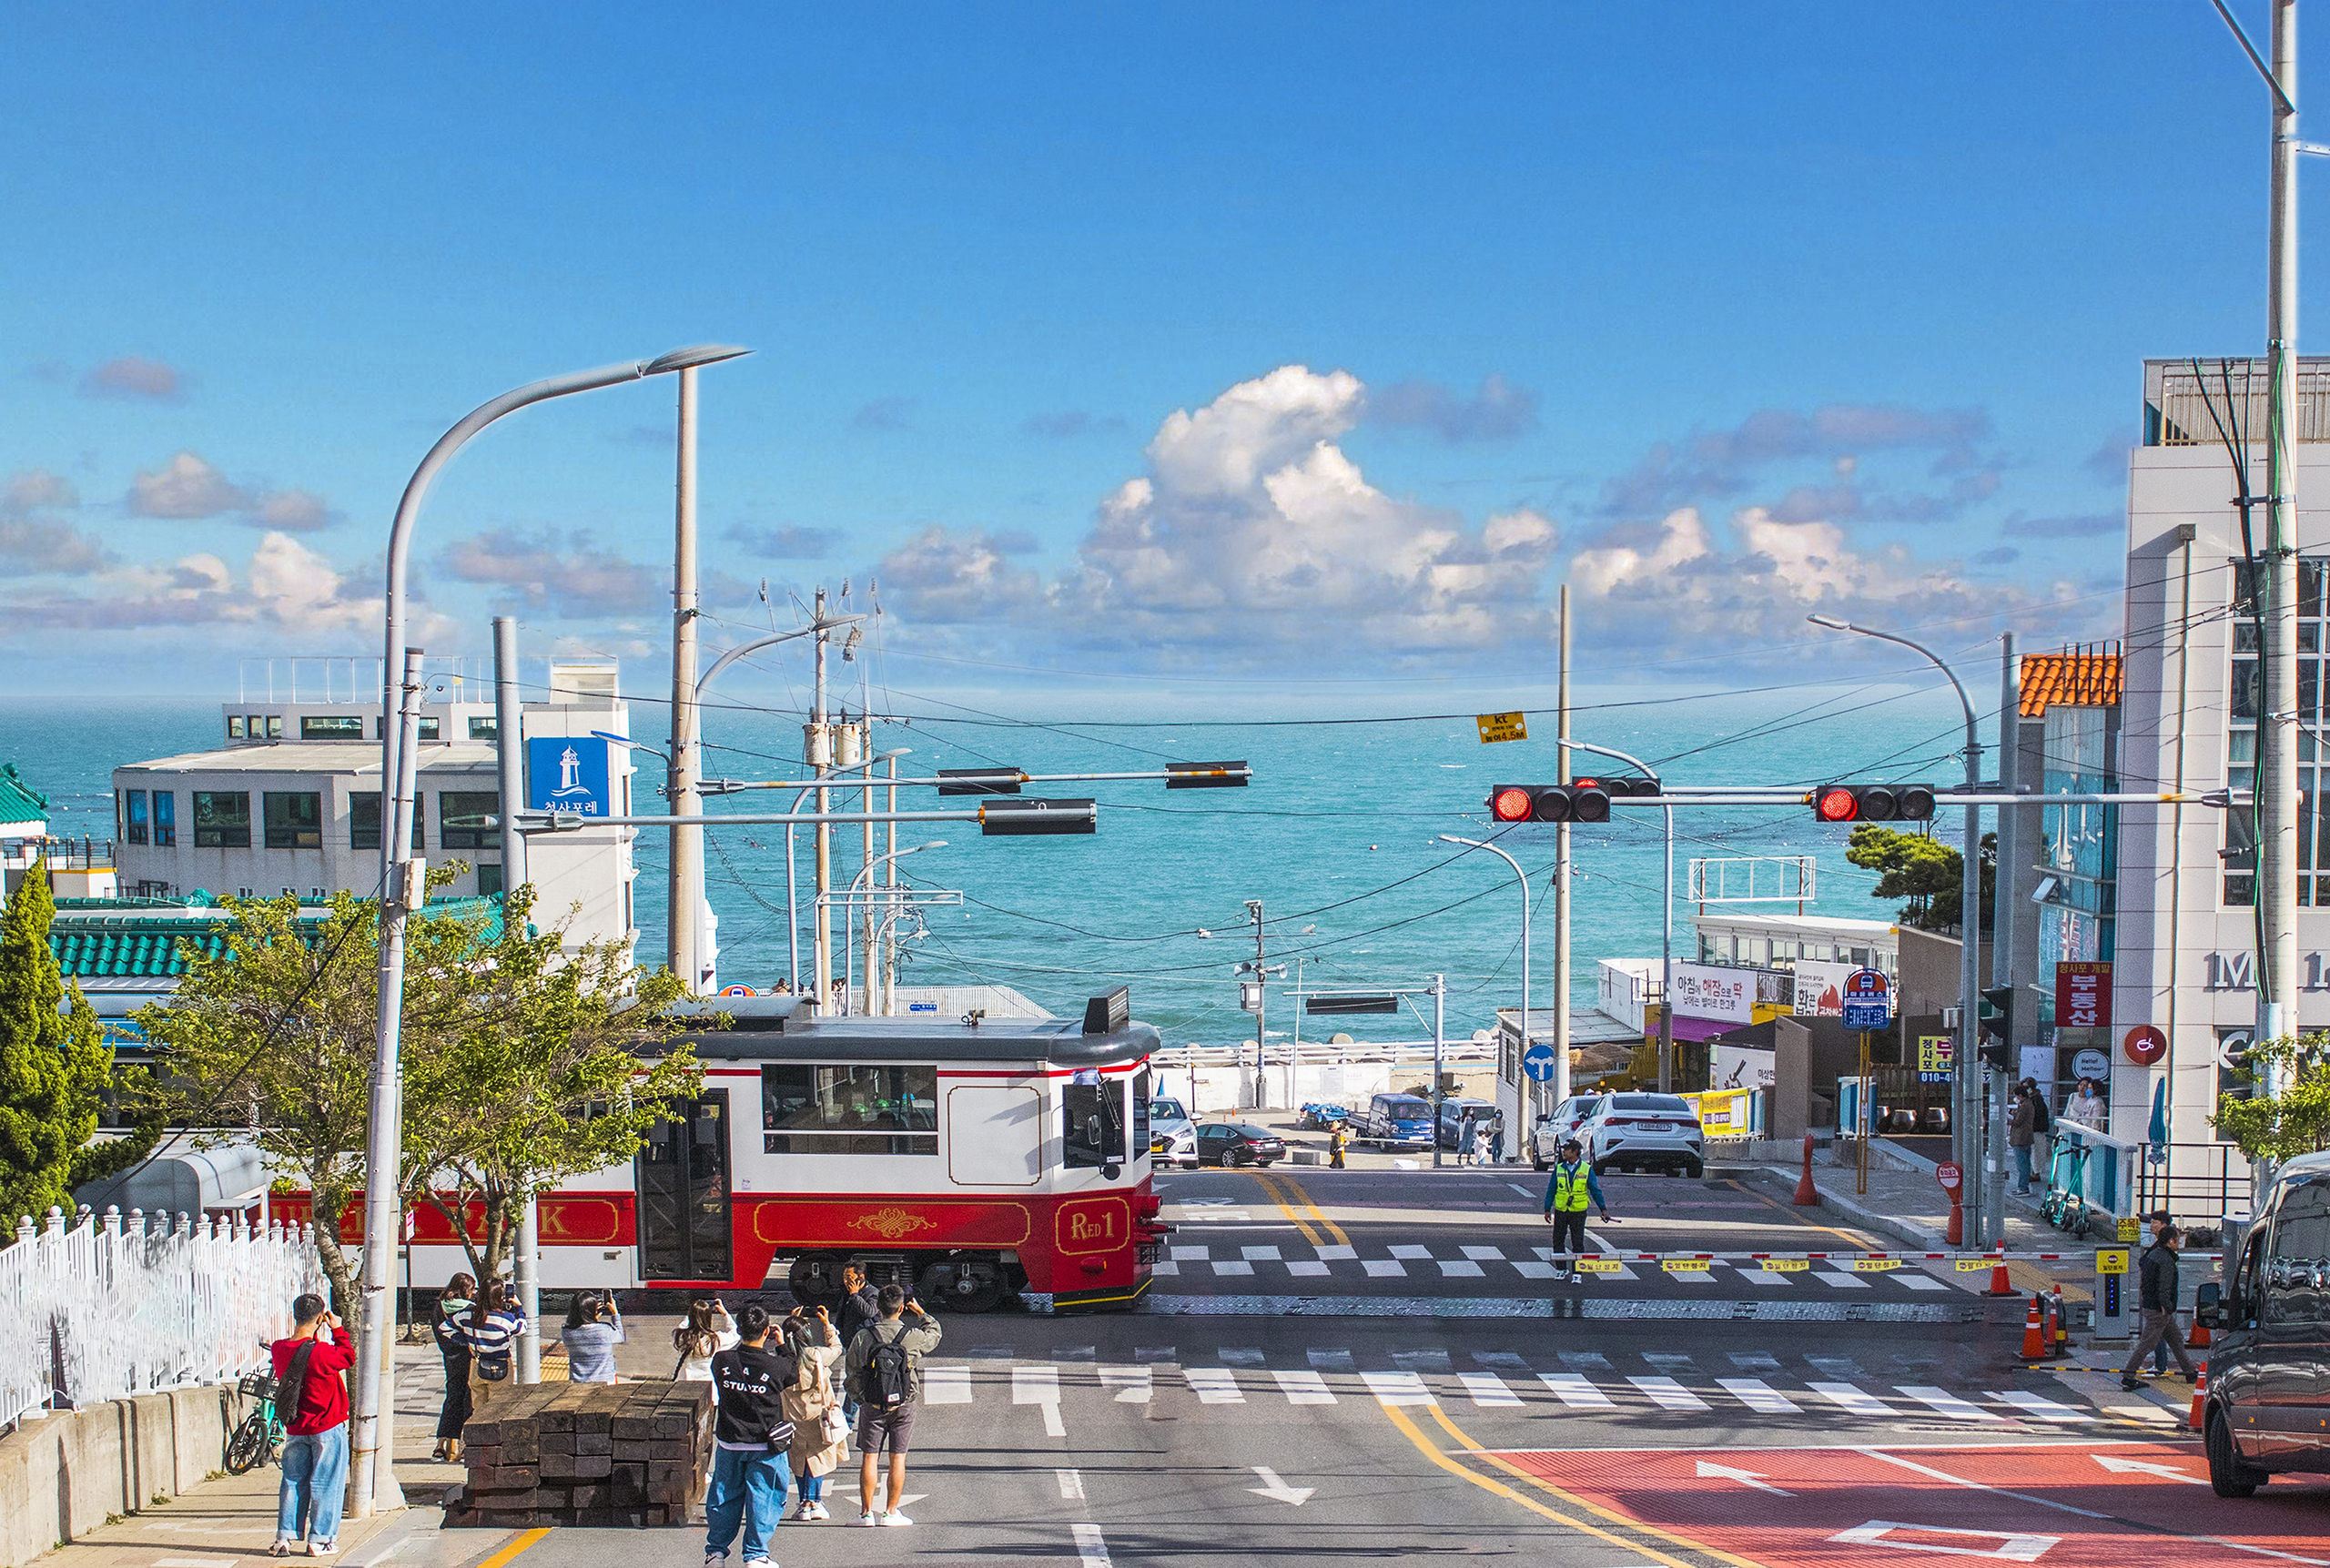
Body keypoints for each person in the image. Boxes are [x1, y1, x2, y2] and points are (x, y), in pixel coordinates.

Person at [705, 1302, 798, 1568]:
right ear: (767, 1331)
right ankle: (756, 1554)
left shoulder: (722, 1361)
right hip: (765, 1444)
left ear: (739, 1329)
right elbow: (793, 1372)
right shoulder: (776, 1366)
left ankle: (715, 1553)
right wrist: (782, 1345)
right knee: (764, 1497)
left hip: (730, 1441)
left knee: (724, 1496)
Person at [845, 1284, 942, 1528]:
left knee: (869, 1457)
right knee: (898, 1457)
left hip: (872, 1403)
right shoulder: (912, 1335)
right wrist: (921, 1313)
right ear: (901, 1309)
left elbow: (852, 1372)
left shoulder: (864, 1336)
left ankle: (866, 1514)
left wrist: (862, 1398)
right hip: (903, 1404)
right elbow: (934, 1335)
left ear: (878, 1307)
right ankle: (891, 1512)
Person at [269, 1292, 356, 1557]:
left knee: (292, 1481)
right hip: (326, 1425)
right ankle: (320, 1540)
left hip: (296, 1426)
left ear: (294, 1316)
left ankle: (284, 1537)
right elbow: (348, 1357)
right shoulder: (323, 1352)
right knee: (326, 1483)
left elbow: (302, 1355)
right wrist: (338, 1329)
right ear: (320, 1319)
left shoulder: (279, 1349)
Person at [780, 1306, 847, 1521]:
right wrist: (827, 1325)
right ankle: (813, 1502)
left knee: (799, 1460)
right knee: (817, 1459)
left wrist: (791, 1323)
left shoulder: (783, 1360)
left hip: (792, 1416)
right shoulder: (816, 1355)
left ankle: (804, 1503)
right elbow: (837, 1348)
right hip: (818, 1415)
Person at [2122, 1223, 2201, 1390]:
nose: (2179, 1242)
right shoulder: (2166, 1260)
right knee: (2147, 1344)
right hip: (2159, 1310)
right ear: (2171, 1241)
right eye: (2178, 1239)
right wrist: (2167, 1306)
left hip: (2153, 1306)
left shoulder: (2154, 1254)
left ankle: (2189, 1372)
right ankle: (2128, 1375)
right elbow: (2164, 1287)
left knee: (2175, 1338)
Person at [1540, 1138, 1615, 1283]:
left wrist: (1603, 1209)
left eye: (1567, 1150)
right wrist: (1547, 1208)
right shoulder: (1559, 1168)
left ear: (1575, 1152)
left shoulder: (1586, 1169)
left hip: (1578, 1211)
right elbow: (1551, 1189)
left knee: (1578, 1242)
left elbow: (1595, 1190)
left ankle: (1577, 1273)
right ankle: (1561, 1269)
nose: (1564, 1152)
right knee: (1558, 1240)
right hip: (1561, 1210)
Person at [458, 1280, 527, 1412]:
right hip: (501, 1365)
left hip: (477, 1364)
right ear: (499, 1297)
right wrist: (518, 1307)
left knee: (478, 1406)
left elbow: (445, 1328)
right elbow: (522, 1329)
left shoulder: (467, 1315)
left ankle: (477, 1425)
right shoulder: (505, 1318)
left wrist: (465, 1340)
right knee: (499, 1407)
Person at [431, 1273, 476, 1463]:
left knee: (452, 1398)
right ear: (466, 1290)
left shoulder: (438, 1307)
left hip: (450, 1358)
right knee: (469, 1399)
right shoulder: (470, 1308)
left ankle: (441, 1445)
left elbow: (440, 1332)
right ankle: (465, 1445)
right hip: (469, 1357)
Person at [835, 1262, 882, 1427]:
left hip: (865, 1345)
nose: (846, 1281)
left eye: (849, 1277)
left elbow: (869, 1312)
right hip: (851, 1342)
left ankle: (848, 1419)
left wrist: (855, 1295)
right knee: (856, 1381)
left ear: (861, 1277)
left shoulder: (872, 1293)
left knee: (856, 1381)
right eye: (844, 1277)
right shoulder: (847, 1293)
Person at [562, 1289, 625, 1384]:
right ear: (593, 1310)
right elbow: (620, 1336)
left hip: (578, 1383)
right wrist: (615, 1313)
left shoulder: (566, 1332)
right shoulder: (605, 1329)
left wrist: (592, 1320)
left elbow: (585, 1330)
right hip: (605, 1381)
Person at [674, 1297, 740, 1384]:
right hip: (707, 1382)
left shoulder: (682, 1336)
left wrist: (694, 1311)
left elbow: (682, 1326)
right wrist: (725, 1314)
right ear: (709, 1318)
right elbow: (735, 1334)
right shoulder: (715, 1339)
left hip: (684, 1380)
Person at [2008, 1082, 2037, 1196]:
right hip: (2026, 1138)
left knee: (2022, 1165)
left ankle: (2023, 1187)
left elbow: (2017, 1122)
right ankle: (2023, 1186)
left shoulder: (2025, 1106)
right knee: (2025, 1164)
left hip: (2021, 1138)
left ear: (2020, 1095)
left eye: (2016, 1096)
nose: (2015, 1098)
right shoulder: (2027, 1104)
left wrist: (2008, 1119)